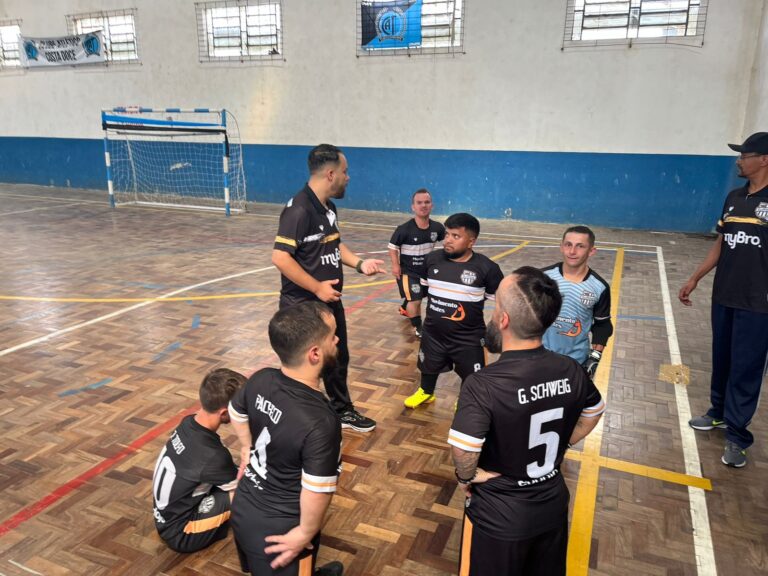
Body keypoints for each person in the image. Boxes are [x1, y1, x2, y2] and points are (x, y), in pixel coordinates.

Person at [448, 267, 606, 576]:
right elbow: (594, 411)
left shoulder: (484, 384)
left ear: (503, 320)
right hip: (552, 506)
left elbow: (464, 451)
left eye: (497, 308)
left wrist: (467, 477)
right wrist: (564, 443)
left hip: (500, 518)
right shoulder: (571, 370)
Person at [272, 144, 384, 433]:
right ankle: (294, 420)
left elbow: (333, 243)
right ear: (331, 174)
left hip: (329, 303)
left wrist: (360, 264)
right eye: (345, 172)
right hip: (304, 307)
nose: (348, 177)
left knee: (337, 357)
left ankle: (342, 411)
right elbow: (280, 257)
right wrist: (317, 288)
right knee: (304, 366)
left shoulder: (328, 208)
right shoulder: (299, 209)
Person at [229, 302, 344, 576]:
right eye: (332, 336)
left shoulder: (260, 378)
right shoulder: (321, 422)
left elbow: (236, 410)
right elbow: (317, 490)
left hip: (243, 505)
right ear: (314, 353)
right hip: (279, 533)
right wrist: (305, 532)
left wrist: (246, 447)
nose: (337, 340)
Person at [679, 132, 768, 469]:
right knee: (723, 358)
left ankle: (737, 435)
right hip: (725, 295)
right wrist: (695, 277)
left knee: (747, 368)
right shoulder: (733, 198)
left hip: (759, 303)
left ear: (764, 159)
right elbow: (721, 243)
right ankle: (717, 412)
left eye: (744, 155)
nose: (738, 161)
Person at [404, 213, 504, 408]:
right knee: (428, 365)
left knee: (471, 374)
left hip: (468, 336)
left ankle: (466, 398)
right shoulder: (432, 260)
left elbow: (500, 303)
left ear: (471, 241)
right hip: (433, 332)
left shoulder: (487, 268)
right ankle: (426, 392)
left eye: (455, 236)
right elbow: (425, 290)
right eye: (447, 234)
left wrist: (495, 330)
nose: (448, 240)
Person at [152, 368, 246, 553]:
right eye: (240, 409)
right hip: (181, 532)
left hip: (166, 515)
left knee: (234, 475)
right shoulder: (212, 456)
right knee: (251, 493)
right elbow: (244, 485)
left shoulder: (188, 422)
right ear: (224, 413)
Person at [541, 226, 613, 379]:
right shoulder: (542, 277)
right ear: (561, 246)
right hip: (539, 358)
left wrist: (595, 358)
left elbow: (603, 325)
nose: (572, 251)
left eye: (580, 246)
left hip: (575, 362)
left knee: (571, 404)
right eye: (568, 245)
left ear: (591, 251)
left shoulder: (599, 287)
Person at [388, 188, 446, 338]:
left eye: (427, 202)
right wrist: (395, 265)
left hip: (427, 271)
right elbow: (393, 247)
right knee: (416, 300)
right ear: (413, 207)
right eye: (419, 203)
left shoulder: (437, 228)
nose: (423, 205)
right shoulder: (403, 229)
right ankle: (419, 327)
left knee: (422, 296)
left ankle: (405, 306)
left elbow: (447, 242)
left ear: (432, 205)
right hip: (408, 272)